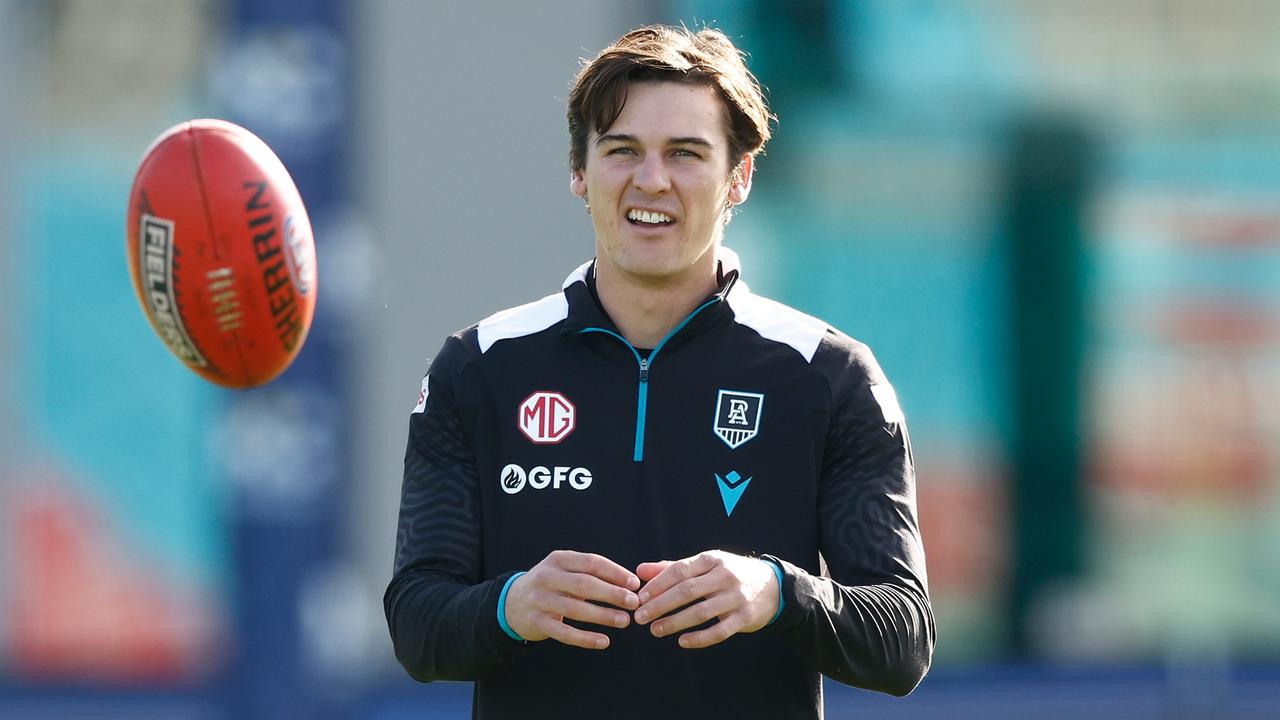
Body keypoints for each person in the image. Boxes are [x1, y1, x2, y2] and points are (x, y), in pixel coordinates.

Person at [384, 24, 934, 719]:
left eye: (686, 153)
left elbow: (903, 640)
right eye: (622, 151)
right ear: (579, 172)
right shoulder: (480, 368)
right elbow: (415, 622)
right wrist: (508, 606)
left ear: (739, 178)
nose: (652, 180)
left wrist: (778, 592)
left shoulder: (827, 376)